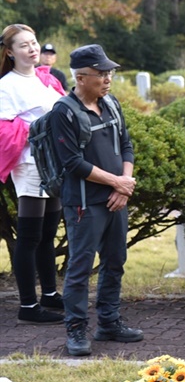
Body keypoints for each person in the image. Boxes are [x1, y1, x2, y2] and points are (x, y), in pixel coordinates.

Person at [50, 45, 144, 356]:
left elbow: (126, 145)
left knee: (115, 261)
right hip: (83, 204)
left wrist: (123, 186)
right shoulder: (63, 112)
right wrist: (117, 182)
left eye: (109, 73)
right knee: (79, 267)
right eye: (101, 73)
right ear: (80, 77)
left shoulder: (112, 104)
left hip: (117, 199)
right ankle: (76, 329)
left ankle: (108, 322)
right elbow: (72, 163)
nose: (108, 78)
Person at [0, 24, 66, 324]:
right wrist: (40, 128)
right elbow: (4, 131)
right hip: (29, 166)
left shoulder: (45, 79)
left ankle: (49, 293)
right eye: (24, 45)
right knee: (30, 236)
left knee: (48, 235)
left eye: (34, 42)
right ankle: (28, 305)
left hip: (53, 164)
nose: (32, 48)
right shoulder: (7, 86)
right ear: (10, 52)